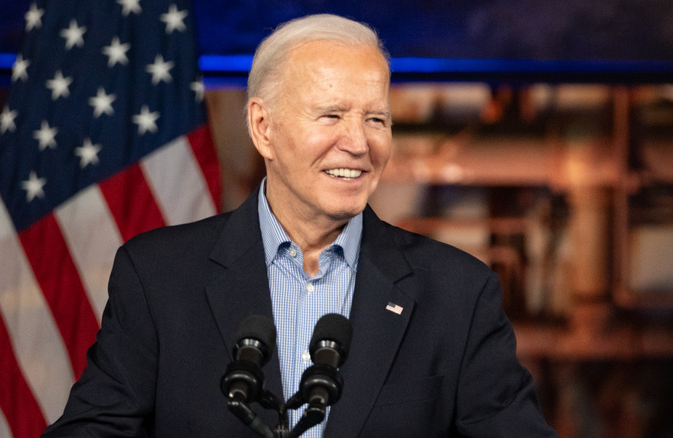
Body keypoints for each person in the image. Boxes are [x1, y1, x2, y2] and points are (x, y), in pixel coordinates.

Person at [43, 13, 558, 437]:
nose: (359, 143)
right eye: (332, 116)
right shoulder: (158, 276)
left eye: (376, 119)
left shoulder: (458, 293)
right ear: (263, 128)